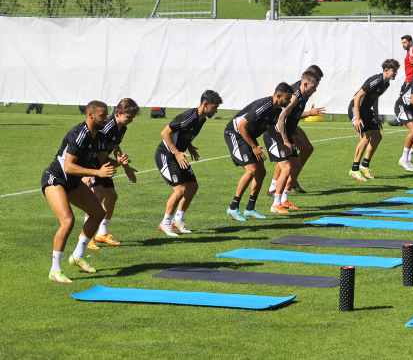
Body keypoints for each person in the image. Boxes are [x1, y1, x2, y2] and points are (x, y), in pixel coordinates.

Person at [42, 101, 122, 282]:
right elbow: (68, 167)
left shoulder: (100, 136)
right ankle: (55, 270)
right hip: (56, 179)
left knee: (98, 213)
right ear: (90, 115)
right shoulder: (79, 134)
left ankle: (78, 255)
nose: (106, 119)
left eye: (106, 115)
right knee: (68, 221)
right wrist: (97, 173)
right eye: (102, 116)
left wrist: (119, 163)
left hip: (72, 182)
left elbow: (104, 161)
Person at [155, 90, 222, 237]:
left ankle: (178, 220)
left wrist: (189, 146)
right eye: (214, 107)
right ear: (205, 104)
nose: (216, 111)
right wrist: (177, 153)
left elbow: (185, 134)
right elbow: (165, 132)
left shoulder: (201, 119)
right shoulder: (188, 117)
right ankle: (165, 223)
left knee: (192, 186)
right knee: (180, 189)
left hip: (179, 155)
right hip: (167, 155)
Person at [224, 83, 294, 220]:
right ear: (278, 96)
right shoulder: (264, 105)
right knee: (251, 170)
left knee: (261, 172)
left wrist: (281, 144)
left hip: (248, 136)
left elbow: (270, 128)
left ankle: (250, 209)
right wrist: (254, 147)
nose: (289, 101)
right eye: (287, 98)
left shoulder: (276, 110)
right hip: (236, 134)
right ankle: (233, 207)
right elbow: (241, 126)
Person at [84, 98, 140, 250]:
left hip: (104, 164)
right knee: (98, 196)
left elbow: (115, 146)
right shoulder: (107, 127)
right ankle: (86, 236)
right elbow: (93, 147)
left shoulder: (121, 128)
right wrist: (87, 171)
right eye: (129, 117)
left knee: (112, 196)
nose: (131, 120)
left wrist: (126, 166)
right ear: (119, 112)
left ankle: (102, 233)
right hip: (94, 164)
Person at [269, 71, 325, 207]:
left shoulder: (304, 96)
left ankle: (284, 200)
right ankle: (275, 200)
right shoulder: (295, 96)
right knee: (287, 168)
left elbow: (293, 119)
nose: (315, 90)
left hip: (288, 133)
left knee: (296, 166)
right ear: (305, 84)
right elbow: (282, 118)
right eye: (313, 87)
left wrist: (296, 136)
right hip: (277, 133)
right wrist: (286, 141)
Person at [349, 59, 400, 180]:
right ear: (386, 70)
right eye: (394, 70)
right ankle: (354, 169)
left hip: (367, 110)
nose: (396, 73)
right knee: (365, 139)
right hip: (356, 109)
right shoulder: (375, 80)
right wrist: (358, 118)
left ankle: (364, 166)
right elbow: (357, 97)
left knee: (377, 137)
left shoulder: (386, 84)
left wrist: (377, 116)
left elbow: (375, 98)